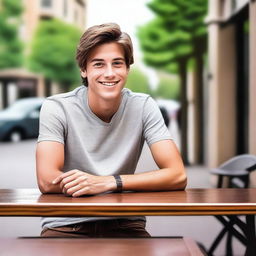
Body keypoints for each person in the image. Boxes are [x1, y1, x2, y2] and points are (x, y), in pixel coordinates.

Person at [36, 23, 186, 238]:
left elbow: (177, 174)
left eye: (117, 64)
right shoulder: (57, 107)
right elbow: (47, 180)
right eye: (98, 64)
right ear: (84, 70)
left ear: (127, 69)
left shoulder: (143, 105)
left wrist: (109, 181)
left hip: (124, 223)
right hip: (66, 224)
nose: (109, 73)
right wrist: (97, 184)